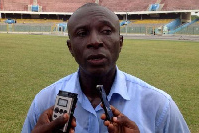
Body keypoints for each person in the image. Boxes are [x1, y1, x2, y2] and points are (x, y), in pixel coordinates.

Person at [22, 3, 190, 133]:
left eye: (106, 31)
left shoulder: (160, 105)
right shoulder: (43, 102)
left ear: (121, 43)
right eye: (82, 33)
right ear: (70, 48)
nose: (95, 41)